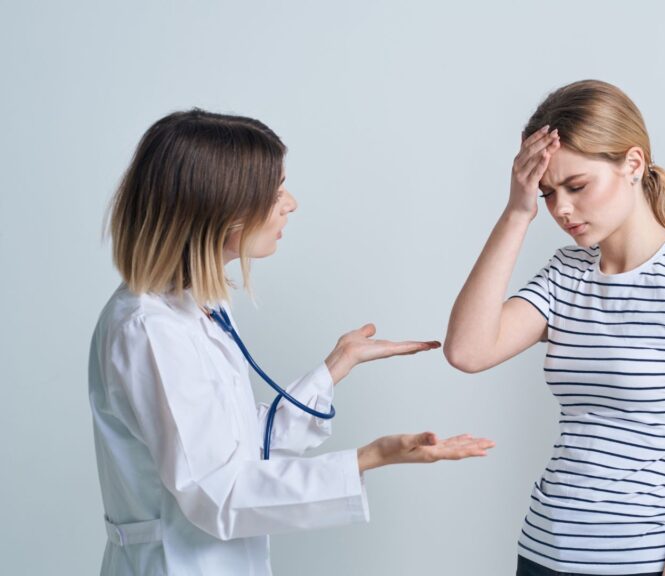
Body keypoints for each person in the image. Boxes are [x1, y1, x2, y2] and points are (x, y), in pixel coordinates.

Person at [89, 109, 494, 575]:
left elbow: (241, 446)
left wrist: (335, 367)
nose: (292, 203)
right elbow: (218, 494)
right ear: (219, 208)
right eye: (275, 191)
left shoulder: (197, 307)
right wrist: (370, 457)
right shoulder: (149, 330)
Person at [445, 80, 665, 576]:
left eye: (577, 186)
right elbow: (467, 350)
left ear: (633, 164)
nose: (561, 208)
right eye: (547, 193)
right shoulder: (566, 273)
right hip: (543, 554)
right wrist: (517, 211)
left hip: (642, 562)